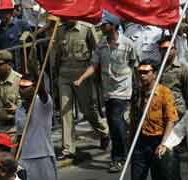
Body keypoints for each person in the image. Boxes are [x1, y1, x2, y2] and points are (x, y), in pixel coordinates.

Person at [74, 11, 134, 172]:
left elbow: (134, 64)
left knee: (115, 122)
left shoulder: (127, 44)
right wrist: (81, 79)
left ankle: (118, 157)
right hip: (107, 91)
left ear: (113, 26)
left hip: (123, 91)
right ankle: (125, 150)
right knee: (116, 125)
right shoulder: (101, 45)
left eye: (104, 24)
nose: (101, 27)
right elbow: (94, 65)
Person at [53, 19, 109, 160]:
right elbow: (58, 54)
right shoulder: (59, 30)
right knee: (66, 112)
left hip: (82, 75)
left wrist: (96, 74)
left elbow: (97, 52)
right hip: (64, 75)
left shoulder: (87, 29)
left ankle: (104, 131)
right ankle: (68, 149)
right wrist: (55, 73)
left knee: (87, 110)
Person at [130, 60, 180, 180]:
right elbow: (133, 117)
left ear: (154, 74)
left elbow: (171, 120)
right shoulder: (137, 92)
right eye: (140, 72)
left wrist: (163, 144)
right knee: (137, 176)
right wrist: (131, 140)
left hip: (158, 141)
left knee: (159, 176)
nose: (142, 75)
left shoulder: (164, 93)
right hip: (140, 141)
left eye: (146, 72)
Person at [15, 75, 57, 180]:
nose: (21, 90)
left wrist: (36, 73)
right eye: (20, 87)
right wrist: (16, 158)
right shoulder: (19, 109)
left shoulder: (44, 103)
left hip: (43, 156)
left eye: (25, 87)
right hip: (25, 158)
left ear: (34, 88)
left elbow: (43, 93)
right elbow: (20, 136)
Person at [157, 37, 188, 117]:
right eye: (163, 49)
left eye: (169, 48)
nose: (167, 51)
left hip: (177, 109)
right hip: (158, 109)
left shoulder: (183, 68)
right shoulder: (156, 68)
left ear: (175, 49)